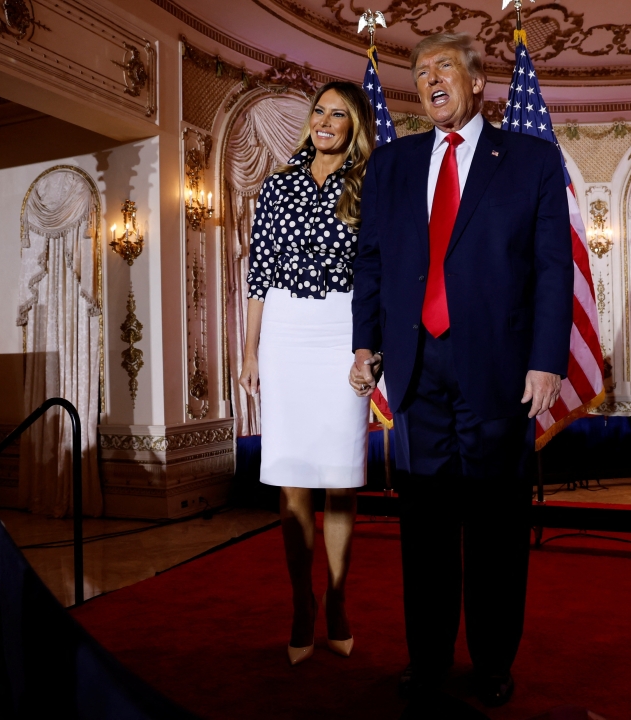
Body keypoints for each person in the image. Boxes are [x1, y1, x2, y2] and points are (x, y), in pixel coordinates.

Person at [350, 33, 574, 707]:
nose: (428, 79)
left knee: (496, 529)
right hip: (415, 372)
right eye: (418, 73)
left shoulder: (530, 158)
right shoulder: (392, 164)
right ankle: (427, 657)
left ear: (477, 82)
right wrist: (366, 345)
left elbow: (552, 268)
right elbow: (371, 263)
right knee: (424, 530)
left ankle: (493, 661)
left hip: (501, 373)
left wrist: (546, 361)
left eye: (443, 67)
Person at [240, 81, 376, 666]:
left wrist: (370, 349)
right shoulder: (277, 184)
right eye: (318, 111)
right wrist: (250, 350)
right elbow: (259, 274)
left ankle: (339, 600)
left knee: (341, 478)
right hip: (287, 334)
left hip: (344, 332)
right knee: (294, 480)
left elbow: (379, 274)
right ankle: (302, 603)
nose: (324, 121)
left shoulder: (369, 185)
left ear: (354, 126)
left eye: (337, 114)